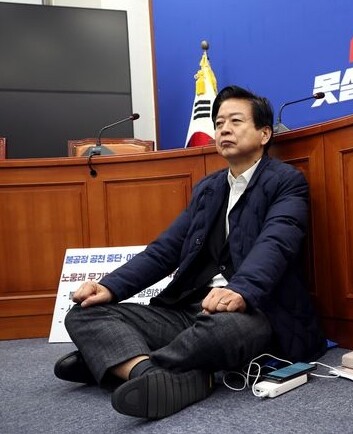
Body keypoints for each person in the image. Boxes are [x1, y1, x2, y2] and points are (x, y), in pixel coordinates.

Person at [54, 85, 326, 419]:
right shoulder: (208, 189)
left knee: (224, 331)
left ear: (264, 134)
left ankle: (114, 362)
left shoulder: (286, 182)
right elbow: (163, 251)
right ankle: (150, 374)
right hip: (188, 311)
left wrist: (240, 290)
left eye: (236, 121)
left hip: (254, 310)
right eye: (219, 123)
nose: (224, 129)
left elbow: (277, 244)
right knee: (83, 313)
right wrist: (109, 286)